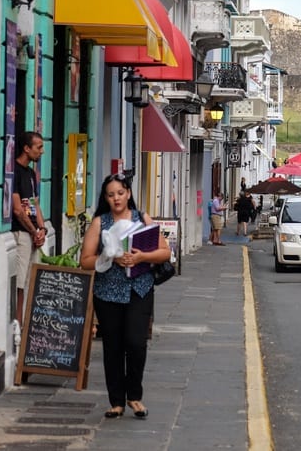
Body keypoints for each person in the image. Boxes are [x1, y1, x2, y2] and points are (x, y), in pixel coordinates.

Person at [80, 173, 171, 420]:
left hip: (139, 289)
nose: (116, 198)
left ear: (128, 193)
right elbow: (85, 260)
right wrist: (110, 257)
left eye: (120, 193)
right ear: (106, 198)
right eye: (111, 195)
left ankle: (135, 396)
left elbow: (164, 252)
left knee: (136, 342)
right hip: (108, 293)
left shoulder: (143, 218)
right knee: (113, 347)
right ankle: (116, 402)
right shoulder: (100, 222)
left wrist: (141, 257)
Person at [12, 131, 47, 323]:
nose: (42, 152)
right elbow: (17, 209)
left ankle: (26, 324)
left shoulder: (31, 173)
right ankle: (18, 324)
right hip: (22, 234)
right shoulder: (15, 172)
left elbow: (35, 203)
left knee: (30, 281)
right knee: (19, 283)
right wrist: (34, 232)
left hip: (33, 234)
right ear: (27, 148)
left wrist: (42, 229)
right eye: (39, 147)